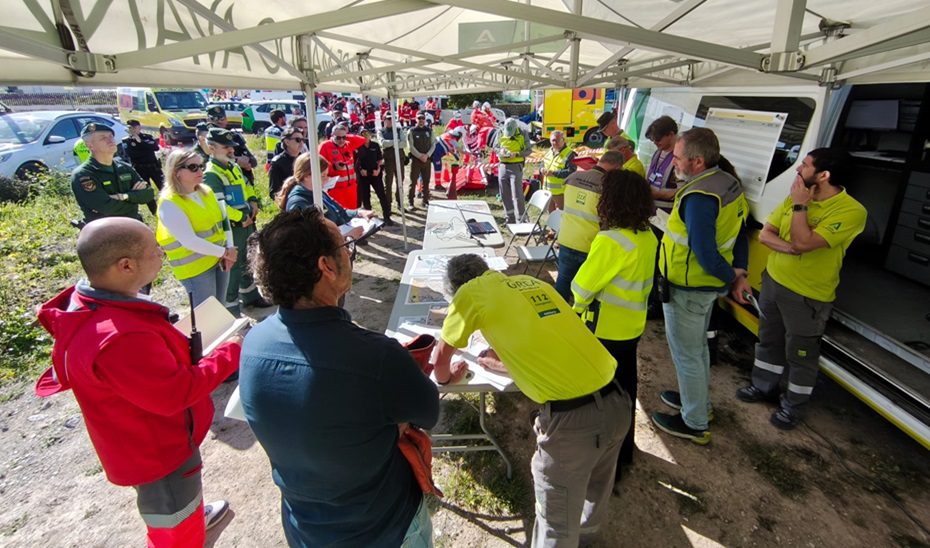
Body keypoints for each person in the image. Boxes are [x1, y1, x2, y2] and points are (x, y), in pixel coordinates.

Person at [34, 216, 240, 546]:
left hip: (142, 440)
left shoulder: (96, 304)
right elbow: (177, 392)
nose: (161, 254)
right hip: (159, 453)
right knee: (174, 524)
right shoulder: (120, 338)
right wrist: (232, 352)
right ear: (126, 265)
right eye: (154, 250)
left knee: (180, 505)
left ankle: (192, 515)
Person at [239, 208, 439, 547]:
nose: (350, 254)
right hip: (384, 528)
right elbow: (428, 413)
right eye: (346, 247)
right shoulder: (376, 356)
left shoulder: (253, 343)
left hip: (306, 527)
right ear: (326, 267)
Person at [433, 254, 629, 547]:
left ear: (456, 288)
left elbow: (439, 362)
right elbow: (548, 342)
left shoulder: (469, 293)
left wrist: (448, 378)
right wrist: (501, 362)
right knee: (595, 488)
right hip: (617, 399)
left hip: (574, 423)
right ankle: (587, 538)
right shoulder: (530, 283)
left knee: (555, 527)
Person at [737, 148, 866, 429]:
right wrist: (793, 248)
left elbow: (806, 241)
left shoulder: (851, 211)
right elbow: (767, 234)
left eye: (804, 165)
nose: (798, 169)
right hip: (774, 281)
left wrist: (799, 209)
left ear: (823, 175)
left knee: (801, 354)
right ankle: (763, 387)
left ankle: (792, 406)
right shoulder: (795, 197)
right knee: (769, 341)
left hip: (808, 296)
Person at [651, 127, 751, 445]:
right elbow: (741, 233)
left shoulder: (700, 196)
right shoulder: (727, 183)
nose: (673, 162)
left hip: (689, 286)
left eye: (677, 157)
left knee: (687, 355)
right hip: (703, 287)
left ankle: (694, 422)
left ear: (696, 162)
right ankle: (698, 404)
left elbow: (705, 252)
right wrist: (737, 272)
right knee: (697, 352)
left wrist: (731, 276)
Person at [571, 169, 658, 479]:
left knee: (602, 399)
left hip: (604, 331)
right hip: (631, 328)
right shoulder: (648, 236)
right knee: (626, 392)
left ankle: (606, 462)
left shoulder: (610, 241)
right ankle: (625, 454)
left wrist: (576, 308)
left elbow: (581, 288)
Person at [155, 148, 237, 308]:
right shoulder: (169, 203)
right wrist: (225, 253)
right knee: (205, 315)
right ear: (176, 172)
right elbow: (189, 241)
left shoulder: (206, 191)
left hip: (220, 259)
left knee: (219, 308)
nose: (200, 170)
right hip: (195, 269)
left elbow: (224, 222)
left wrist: (230, 248)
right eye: (193, 167)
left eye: (201, 165)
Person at [202, 128, 270, 316]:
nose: (231, 150)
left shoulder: (233, 167)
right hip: (232, 229)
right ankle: (231, 310)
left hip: (246, 225)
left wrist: (253, 201)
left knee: (248, 262)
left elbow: (247, 187)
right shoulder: (211, 174)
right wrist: (241, 218)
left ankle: (251, 298)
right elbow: (219, 205)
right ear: (211, 148)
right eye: (226, 147)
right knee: (232, 270)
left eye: (232, 146)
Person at [554, 150, 624, 302]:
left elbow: (561, 202)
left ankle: (558, 314)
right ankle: (580, 318)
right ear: (617, 167)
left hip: (567, 239)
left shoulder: (572, 178)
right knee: (587, 286)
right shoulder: (608, 187)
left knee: (563, 279)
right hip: (590, 244)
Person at [71, 122, 154, 224]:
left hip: (134, 225)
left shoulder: (124, 168)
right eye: (103, 138)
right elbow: (106, 208)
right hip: (105, 232)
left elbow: (148, 194)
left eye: (111, 136)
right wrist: (134, 199)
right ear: (90, 145)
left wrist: (125, 196)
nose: (110, 140)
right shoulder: (84, 174)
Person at [276, 153, 370, 242]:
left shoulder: (317, 191)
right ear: (307, 176)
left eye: (327, 175)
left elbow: (340, 212)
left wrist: (359, 213)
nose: (327, 179)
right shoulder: (298, 203)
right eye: (323, 175)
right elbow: (306, 242)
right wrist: (346, 237)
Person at [206, 105, 258, 184]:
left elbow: (253, 162)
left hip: (242, 182)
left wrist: (245, 162)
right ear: (208, 120)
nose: (219, 121)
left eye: (222, 118)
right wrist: (235, 160)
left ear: (226, 119)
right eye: (214, 119)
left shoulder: (234, 137)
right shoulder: (204, 139)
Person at [319, 123, 367, 209]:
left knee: (352, 216)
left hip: (351, 189)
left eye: (343, 137)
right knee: (339, 218)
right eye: (338, 138)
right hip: (335, 190)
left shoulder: (348, 144)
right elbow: (319, 167)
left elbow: (362, 140)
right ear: (332, 136)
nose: (341, 140)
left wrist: (344, 135)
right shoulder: (325, 146)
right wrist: (333, 167)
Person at [494, 118, 533, 223]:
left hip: (516, 166)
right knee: (504, 194)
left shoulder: (523, 133)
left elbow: (529, 150)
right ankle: (509, 217)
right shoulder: (500, 132)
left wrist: (517, 154)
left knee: (517, 194)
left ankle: (521, 218)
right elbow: (495, 147)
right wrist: (501, 151)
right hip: (502, 166)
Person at [122, 119, 163, 215]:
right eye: (130, 128)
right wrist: (144, 147)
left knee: (163, 186)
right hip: (140, 168)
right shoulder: (126, 140)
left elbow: (155, 147)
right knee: (146, 190)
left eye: (134, 128)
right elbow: (131, 154)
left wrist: (140, 142)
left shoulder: (147, 137)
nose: (132, 130)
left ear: (139, 128)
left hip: (153, 166)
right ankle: (155, 211)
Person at [355, 129, 392, 223]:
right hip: (363, 176)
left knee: (382, 195)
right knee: (366, 197)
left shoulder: (375, 145)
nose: (365, 136)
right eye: (363, 135)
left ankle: (387, 217)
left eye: (367, 134)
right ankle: (370, 219)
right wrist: (360, 170)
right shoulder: (357, 147)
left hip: (375, 174)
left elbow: (380, 159)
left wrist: (379, 169)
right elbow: (354, 162)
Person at [644, 115, 680, 211]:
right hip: (650, 206)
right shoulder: (658, 152)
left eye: (658, 139)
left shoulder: (681, 157)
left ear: (671, 134)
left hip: (667, 210)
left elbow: (683, 191)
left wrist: (659, 194)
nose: (655, 142)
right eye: (653, 140)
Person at [539, 130, 576, 211]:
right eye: (553, 140)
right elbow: (542, 163)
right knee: (550, 212)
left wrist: (554, 174)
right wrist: (541, 169)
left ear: (563, 140)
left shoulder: (570, 154)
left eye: (558, 140)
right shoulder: (549, 151)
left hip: (560, 192)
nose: (555, 142)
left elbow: (571, 172)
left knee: (561, 214)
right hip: (547, 190)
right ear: (550, 140)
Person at [407, 112, 436, 209]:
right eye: (419, 118)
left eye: (422, 118)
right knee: (413, 181)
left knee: (426, 182)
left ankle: (425, 201)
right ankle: (411, 202)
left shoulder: (430, 130)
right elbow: (410, 146)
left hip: (427, 160)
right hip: (416, 160)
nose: (421, 120)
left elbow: (433, 144)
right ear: (416, 119)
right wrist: (420, 156)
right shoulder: (412, 131)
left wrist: (427, 155)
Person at [380, 113, 406, 218]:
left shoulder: (399, 130)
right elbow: (382, 143)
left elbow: (404, 144)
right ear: (384, 120)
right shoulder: (381, 131)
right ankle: (388, 206)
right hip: (388, 161)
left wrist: (391, 143)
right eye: (388, 119)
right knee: (388, 184)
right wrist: (396, 142)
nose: (390, 121)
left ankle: (400, 203)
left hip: (399, 160)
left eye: (392, 119)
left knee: (400, 182)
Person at [268, 127, 305, 200]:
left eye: (303, 140)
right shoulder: (277, 162)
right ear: (287, 142)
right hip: (290, 203)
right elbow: (274, 192)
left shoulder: (305, 159)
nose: (302, 143)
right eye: (298, 140)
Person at [433, 126, 466, 200]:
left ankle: (434, 185)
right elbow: (459, 149)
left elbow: (449, 148)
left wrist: (455, 155)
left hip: (434, 152)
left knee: (436, 168)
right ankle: (437, 185)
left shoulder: (448, 135)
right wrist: (467, 152)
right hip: (436, 153)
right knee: (437, 169)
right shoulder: (452, 138)